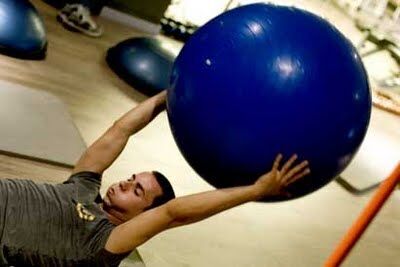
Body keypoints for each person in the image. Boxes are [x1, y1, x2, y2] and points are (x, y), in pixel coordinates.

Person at [0, 90, 310, 266]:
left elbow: (172, 213)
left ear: (141, 217)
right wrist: (169, 95)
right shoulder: (83, 187)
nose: (124, 182)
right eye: (132, 178)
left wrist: (255, 190)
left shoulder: (103, 245)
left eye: (136, 191)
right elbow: (120, 131)